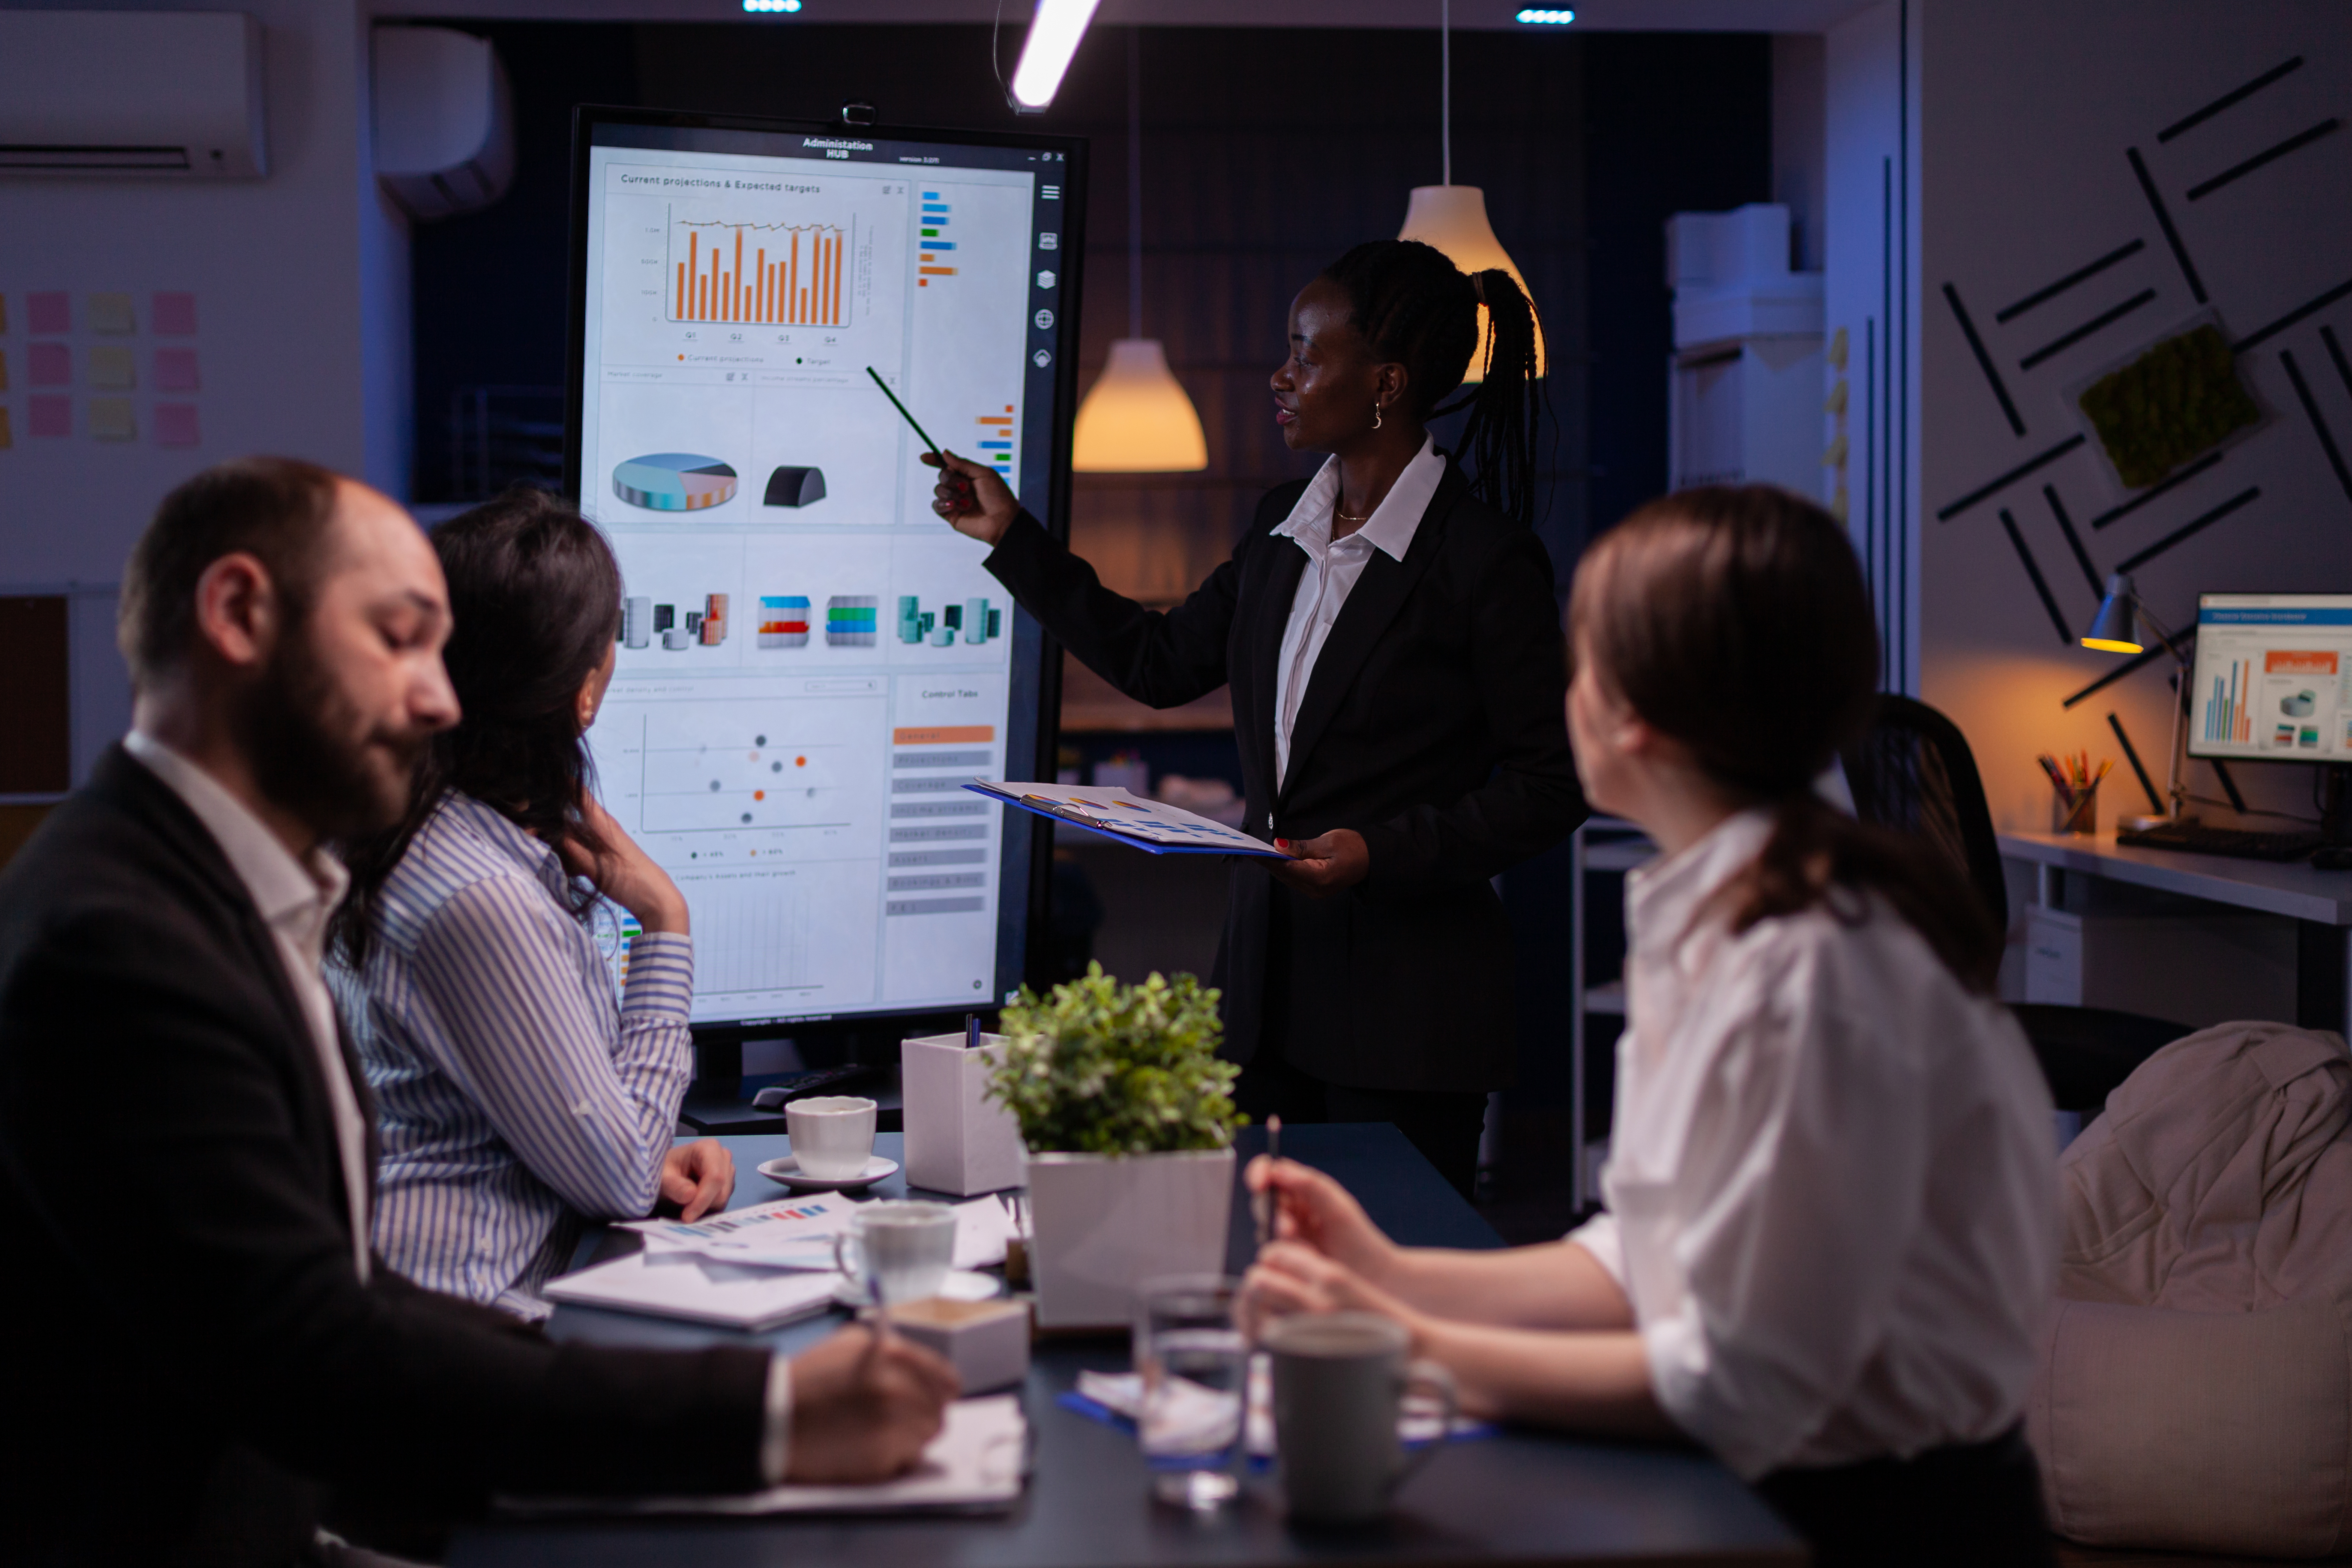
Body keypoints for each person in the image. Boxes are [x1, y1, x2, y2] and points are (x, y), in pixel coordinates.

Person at [0, 458, 956, 1564]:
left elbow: (316, 1301)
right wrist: (770, 1414)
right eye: (399, 638)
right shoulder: (119, 942)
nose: (440, 697)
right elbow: (311, 1347)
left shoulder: (218, 888)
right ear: (239, 612)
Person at [1242, 485, 2059, 1566]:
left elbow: (1742, 1382)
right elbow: (1646, 1256)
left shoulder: (1809, 970)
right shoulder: (1725, 910)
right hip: (1770, 1492)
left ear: (1630, 717)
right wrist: (1390, 1271)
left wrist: (1403, 1344)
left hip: (1870, 1524)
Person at [926, 240, 1587, 1195]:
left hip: (1408, 1015)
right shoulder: (1284, 527)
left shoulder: (1486, 561)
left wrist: (1381, 850)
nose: (1281, 376)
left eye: (1307, 355)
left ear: (1386, 384)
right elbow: (1157, 665)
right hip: (1265, 996)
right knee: (1260, 1279)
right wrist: (1013, 537)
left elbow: (1552, 785)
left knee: (1378, 1298)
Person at [328, 487, 729, 1320]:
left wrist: (621, 1141)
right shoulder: (481, 898)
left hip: (447, 1300)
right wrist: (663, 920)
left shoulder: (414, 826)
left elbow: (522, 1111)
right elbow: (618, 1179)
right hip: (465, 1326)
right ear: (583, 693)